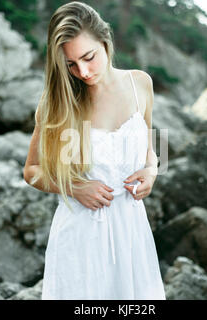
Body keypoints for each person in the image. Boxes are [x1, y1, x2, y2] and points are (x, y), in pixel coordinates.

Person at [23, 1, 166, 300]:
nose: (83, 72)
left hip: (132, 233)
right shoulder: (57, 103)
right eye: (71, 64)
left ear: (105, 42)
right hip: (80, 238)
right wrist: (75, 187)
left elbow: (151, 149)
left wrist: (151, 171)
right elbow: (31, 171)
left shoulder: (141, 84)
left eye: (89, 57)